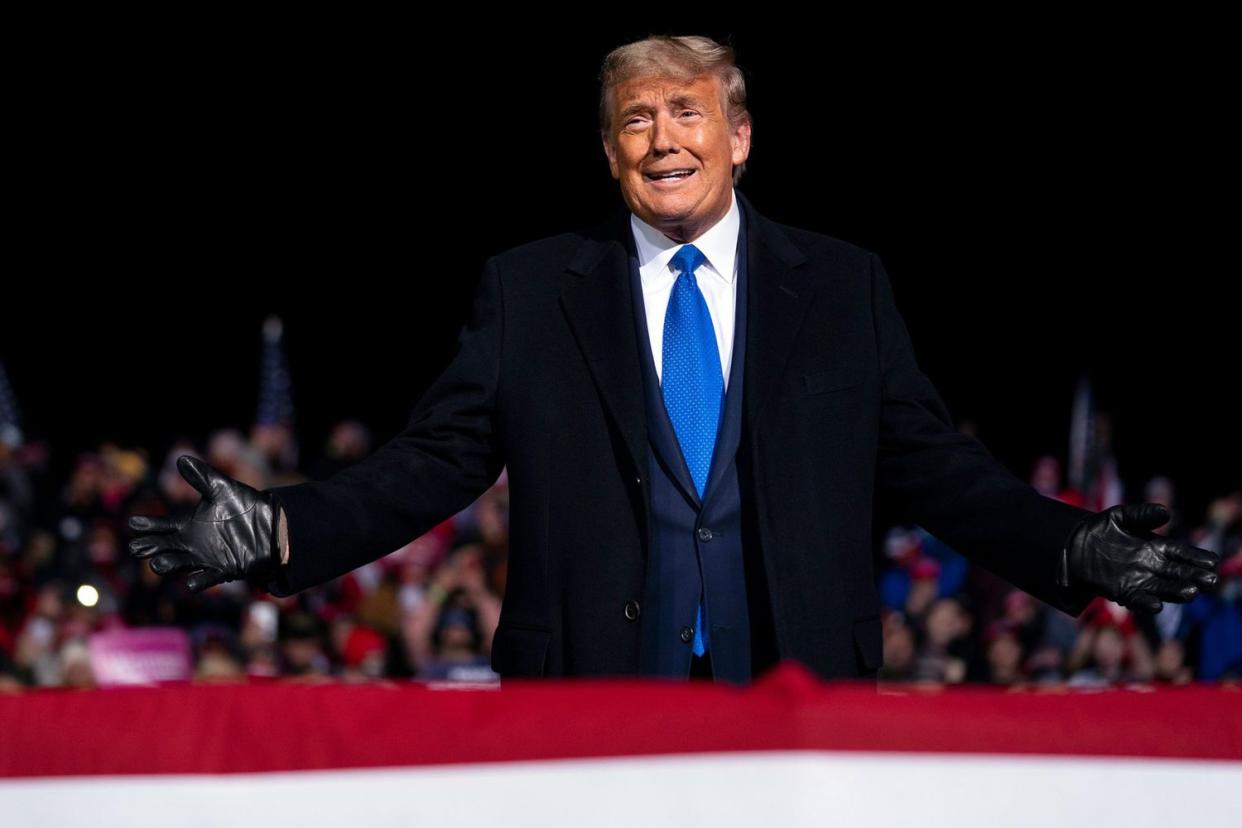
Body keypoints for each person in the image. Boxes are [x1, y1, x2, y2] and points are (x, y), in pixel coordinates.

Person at [128, 34, 1221, 685]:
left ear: (739, 136)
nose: (665, 140)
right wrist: (280, 528)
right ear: (608, 154)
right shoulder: (529, 290)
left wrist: (1072, 547)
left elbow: (931, 463)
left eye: (688, 112)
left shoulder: (842, 287)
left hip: (796, 679)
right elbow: (433, 462)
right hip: (588, 695)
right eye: (637, 120)